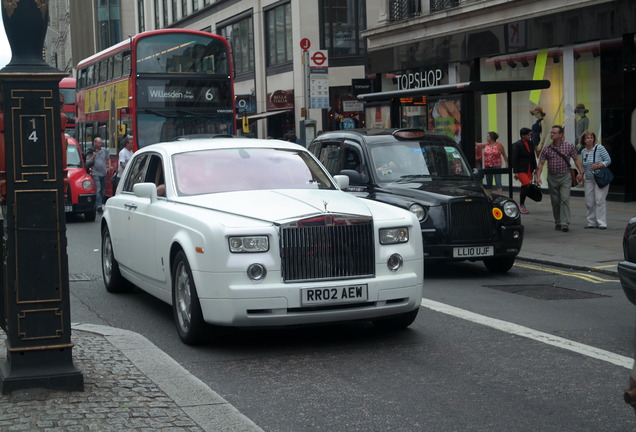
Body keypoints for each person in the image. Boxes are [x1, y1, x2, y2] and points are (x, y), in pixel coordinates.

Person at [535, 125, 584, 232]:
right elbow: (541, 163)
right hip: (552, 177)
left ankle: (565, 223)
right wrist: (538, 177)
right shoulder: (547, 148)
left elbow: (576, 159)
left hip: (565, 176)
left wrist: (581, 172)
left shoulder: (569, 146)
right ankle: (558, 221)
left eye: (554, 133)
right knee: (555, 201)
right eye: (551, 133)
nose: (552, 134)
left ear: (561, 134)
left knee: (565, 198)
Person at [580, 131, 611, 229]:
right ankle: (591, 222)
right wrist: (581, 174)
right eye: (587, 138)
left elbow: (608, 160)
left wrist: (598, 165)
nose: (590, 139)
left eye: (591, 137)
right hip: (589, 178)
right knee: (589, 201)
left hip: (600, 178)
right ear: (584, 140)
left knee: (599, 200)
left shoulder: (599, 148)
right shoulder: (583, 151)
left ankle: (602, 223)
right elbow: (584, 164)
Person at [511, 127, 537, 214]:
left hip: (529, 168)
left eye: (530, 135)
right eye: (528, 135)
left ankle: (522, 203)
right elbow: (515, 158)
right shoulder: (518, 144)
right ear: (523, 135)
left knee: (525, 186)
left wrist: (535, 168)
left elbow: (532, 156)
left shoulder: (530, 143)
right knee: (526, 184)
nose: (530, 136)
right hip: (521, 168)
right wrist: (515, 172)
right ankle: (521, 204)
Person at [87, 137, 108, 213]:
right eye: (98, 143)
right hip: (96, 173)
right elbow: (88, 161)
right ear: (95, 143)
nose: (100, 144)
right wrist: (93, 155)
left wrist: (109, 166)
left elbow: (107, 158)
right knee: (98, 189)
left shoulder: (104, 151)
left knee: (103, 190)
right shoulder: (91, 151)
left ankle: (101, 203)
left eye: (101, 142)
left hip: (104, 173)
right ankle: (98, 205)